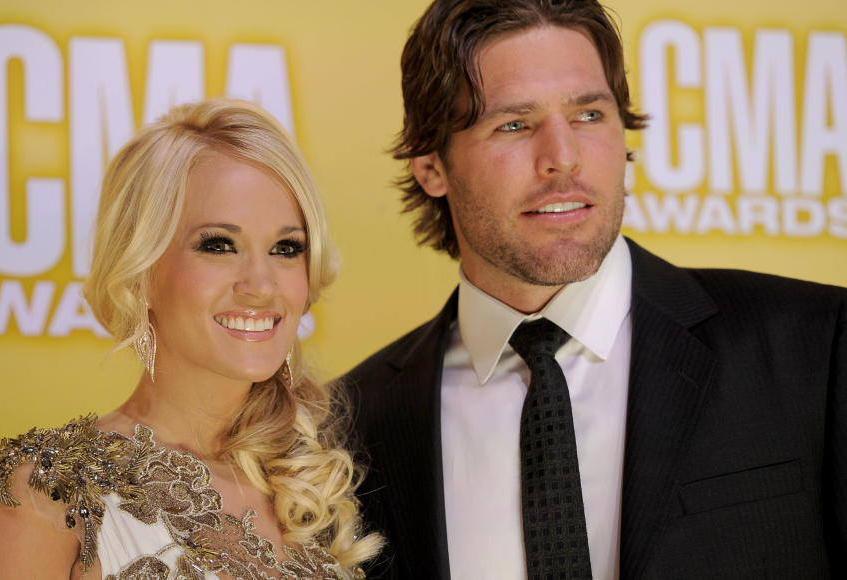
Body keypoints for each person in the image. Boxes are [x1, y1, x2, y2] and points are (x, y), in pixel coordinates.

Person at [340, 0, 846, 578]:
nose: (563, 158)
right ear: (431, 166)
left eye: (588, 115)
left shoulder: (816, 347)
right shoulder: (351, 427)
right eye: (514, 124)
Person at [0, 98, 381, 579]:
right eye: (219, 245)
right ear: (142, 270)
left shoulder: (320, 496)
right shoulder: (46, 495)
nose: (261, 285)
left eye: (287, 248)